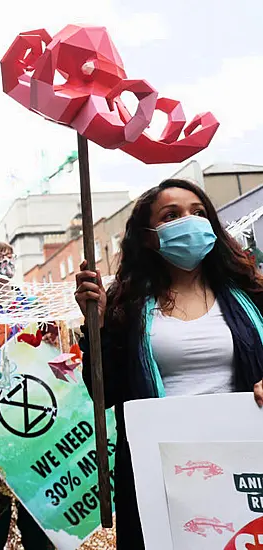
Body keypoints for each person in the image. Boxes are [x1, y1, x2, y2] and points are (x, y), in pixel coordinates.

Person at [74, 178, 263, 549]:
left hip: (244, 461)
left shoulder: (253, 295)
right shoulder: (125, 308)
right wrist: (96, 329)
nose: (188, 222)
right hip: (161, 471)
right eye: (171, 215)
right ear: (148, 237)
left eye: (198, 213)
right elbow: (105, 392)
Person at [0, 242, 55, 550]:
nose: (5, 263)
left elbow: (48, 343)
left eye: (10, 258)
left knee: (36, 506)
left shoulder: (27, 303)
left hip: (33, 405)